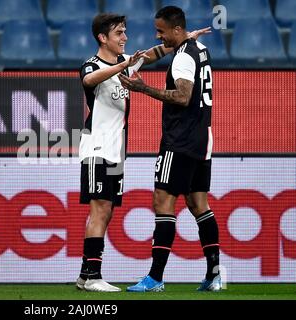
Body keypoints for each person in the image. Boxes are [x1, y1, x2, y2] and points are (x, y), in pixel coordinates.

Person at [76, 12, 211, 292]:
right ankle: (91, 275)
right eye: (119, 34)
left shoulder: (125, 64)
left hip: (117, 150)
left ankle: (86, 273)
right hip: (97, 146)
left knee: (107, 210)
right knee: (99, 209)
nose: (125, 38)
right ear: (103, 38)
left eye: (125, 32)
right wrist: (124, 64)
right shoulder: (91, 65)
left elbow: (153, 54)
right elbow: (90, 81)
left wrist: (185, 39)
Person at [118, 6, 221, 292]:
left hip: (179, 139)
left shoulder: (183, 57)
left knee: (163, 202)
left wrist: (143, 89)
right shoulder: (198, 47)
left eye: (162, 31)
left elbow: (183, 96)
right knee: (199, 204)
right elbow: (152, 55)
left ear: (177, 30)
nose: (157, 36)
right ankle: (214, 276)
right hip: (202, 137)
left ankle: (155, 278)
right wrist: (181, 38)